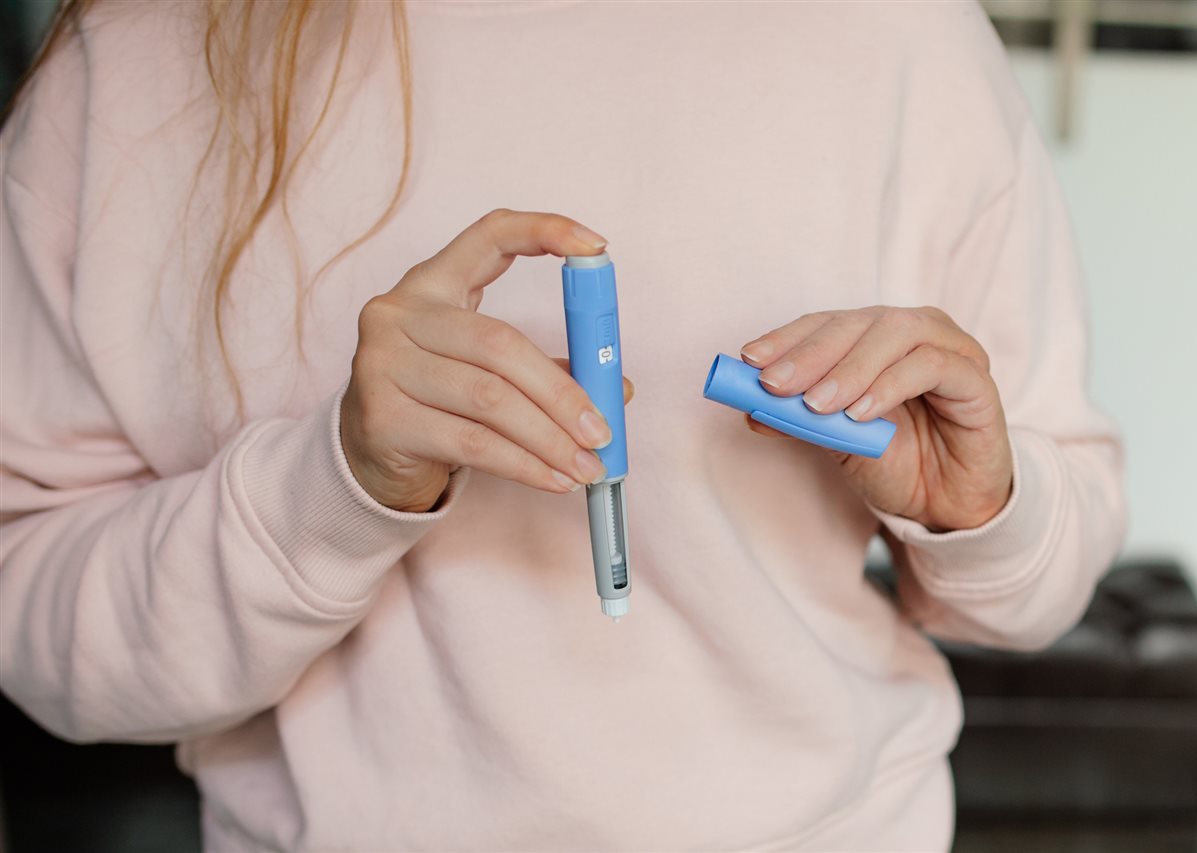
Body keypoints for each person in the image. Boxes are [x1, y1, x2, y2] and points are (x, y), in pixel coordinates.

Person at [0, 1, 1126, 850]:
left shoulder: (902, 36)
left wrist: (980, 507)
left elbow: (1040, 587)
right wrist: (331, 489)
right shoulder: (146, 50)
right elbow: (34, 624)